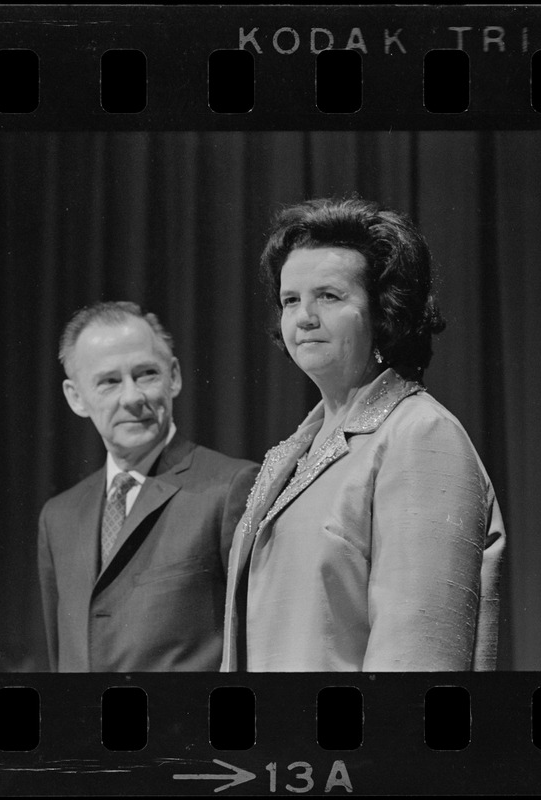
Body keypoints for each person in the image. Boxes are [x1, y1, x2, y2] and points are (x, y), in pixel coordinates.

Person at [222, 198, 506, 672]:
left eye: (329, 297)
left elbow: (419, 657)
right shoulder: (292, 450)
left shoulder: (420, 435)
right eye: (291, 300)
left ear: (384, 312)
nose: (304, 317)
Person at [38, 301, 258, 672]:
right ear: (76, 397)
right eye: (109, 381)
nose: (132, 398)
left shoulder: (231, 487)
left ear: (173, 376)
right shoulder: (58, 516)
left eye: (146, 374)